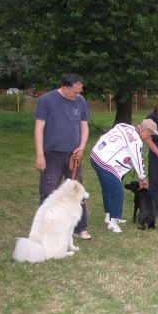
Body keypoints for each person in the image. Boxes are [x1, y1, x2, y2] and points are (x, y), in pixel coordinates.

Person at [34, 73, 91, 240]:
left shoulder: (80, 101)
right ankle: (44, 229)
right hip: (51, 154)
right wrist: (40, 155)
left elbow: (85, 127)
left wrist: (81, 147)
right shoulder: (46, 100)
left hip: (73, 155)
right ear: (65, 87)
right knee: (48, 192)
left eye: (80, 92)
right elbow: (39, 128)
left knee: (77, 191)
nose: (78, 95)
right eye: (75, 92)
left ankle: (80, 228)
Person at [90, 120, 158, 232]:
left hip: (95, 155)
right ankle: (113, 221)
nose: (149, 137)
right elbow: (137, 158)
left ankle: (109, 217)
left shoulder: (124, 126)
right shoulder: (136, 140)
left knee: (108, 189)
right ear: (144, 130)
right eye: (150, 134)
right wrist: (142, 178)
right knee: (117, 190)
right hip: (104, 162)